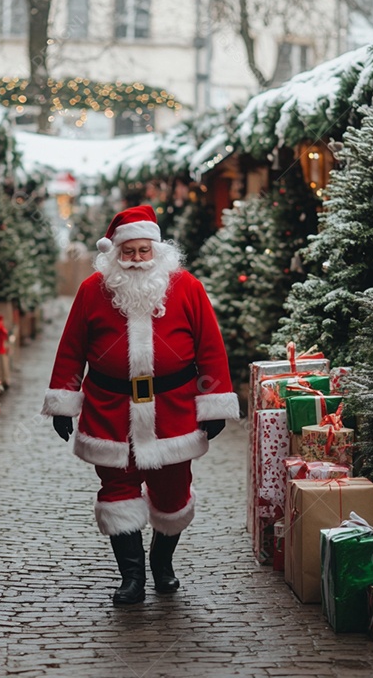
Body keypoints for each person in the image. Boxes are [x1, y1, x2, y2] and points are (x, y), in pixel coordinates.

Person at [42, 205, 239, 605]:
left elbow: (210, 348)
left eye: (143, 251)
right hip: (109, 409)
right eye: (127, 252)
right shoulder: (92, 291)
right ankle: (131, 576)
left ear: (157, 250)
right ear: (114, 254)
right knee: (117, 490)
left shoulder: (187, 287)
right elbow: (71, 349)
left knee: (173, 494)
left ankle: (162, 565)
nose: (135, 260)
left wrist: (214, 404)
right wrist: (64, 401)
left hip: (173, 409)